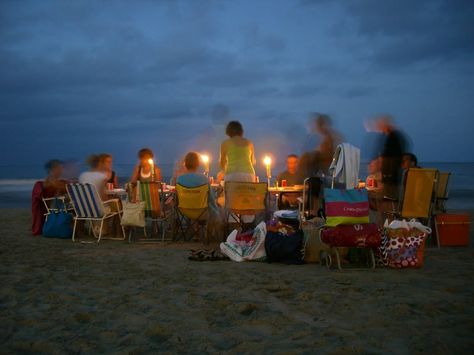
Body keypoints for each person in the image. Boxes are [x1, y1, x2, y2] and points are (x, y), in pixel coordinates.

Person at [176, 152, 222, 240]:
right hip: (202, 212)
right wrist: (217, 212)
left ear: (185, 164)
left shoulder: (179, 179)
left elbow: (177, 198)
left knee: (195, 204)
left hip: (185, 212)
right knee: (214, 208)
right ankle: (209, 236)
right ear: (198, 164)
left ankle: (195, 233)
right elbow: (211, 199)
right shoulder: (203, 179)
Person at [374, 115, 408, 199]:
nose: (379, 127)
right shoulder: (387, 135)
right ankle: (390, 205)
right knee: (388, 190)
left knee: (391, 191)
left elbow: (392, 152)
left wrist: (382, 160)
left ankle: (392, 206)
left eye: (381, 124)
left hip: (391, 170)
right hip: (389, 170)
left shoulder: (394, 136)